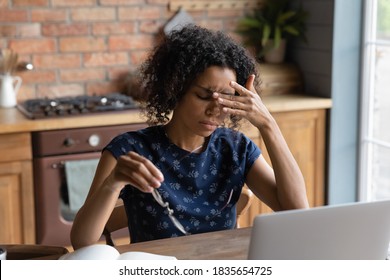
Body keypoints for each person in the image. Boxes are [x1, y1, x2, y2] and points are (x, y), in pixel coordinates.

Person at [70, 24, 309, 249]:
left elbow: (297, 212)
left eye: (227, 98)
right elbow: (82, 241)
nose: (216, 109)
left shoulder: (235, 149)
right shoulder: (130, 149)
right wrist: (113, 183)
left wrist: (268, 125)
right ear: (175, 90)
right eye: (204, 96)